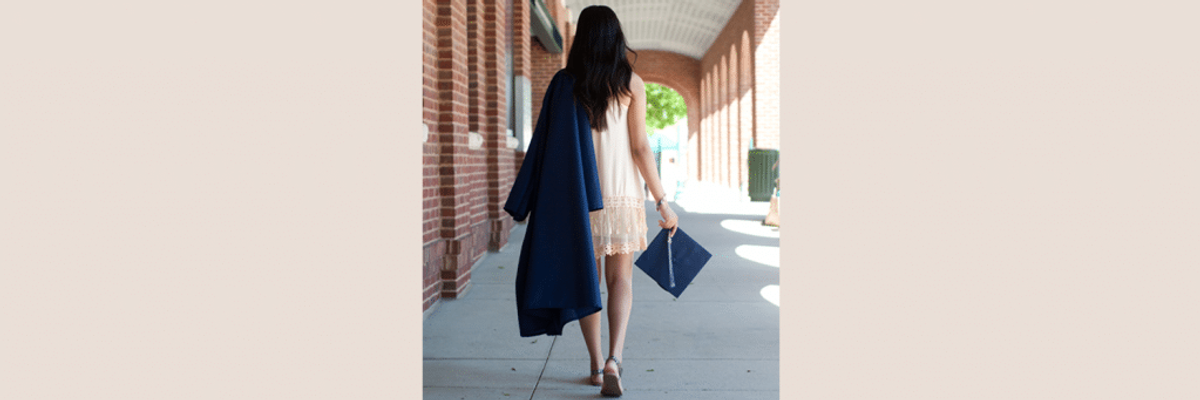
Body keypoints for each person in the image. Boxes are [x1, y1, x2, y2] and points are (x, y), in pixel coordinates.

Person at [568, 5, 678, 397]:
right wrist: (662, 200)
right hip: (622, 199)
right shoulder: (630, 82)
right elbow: (640, 147)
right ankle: (616, 358)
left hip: (580, 199)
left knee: (587, 282)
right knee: (620, 280)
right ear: (616, 37)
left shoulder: (569, 84)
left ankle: (595, 365)